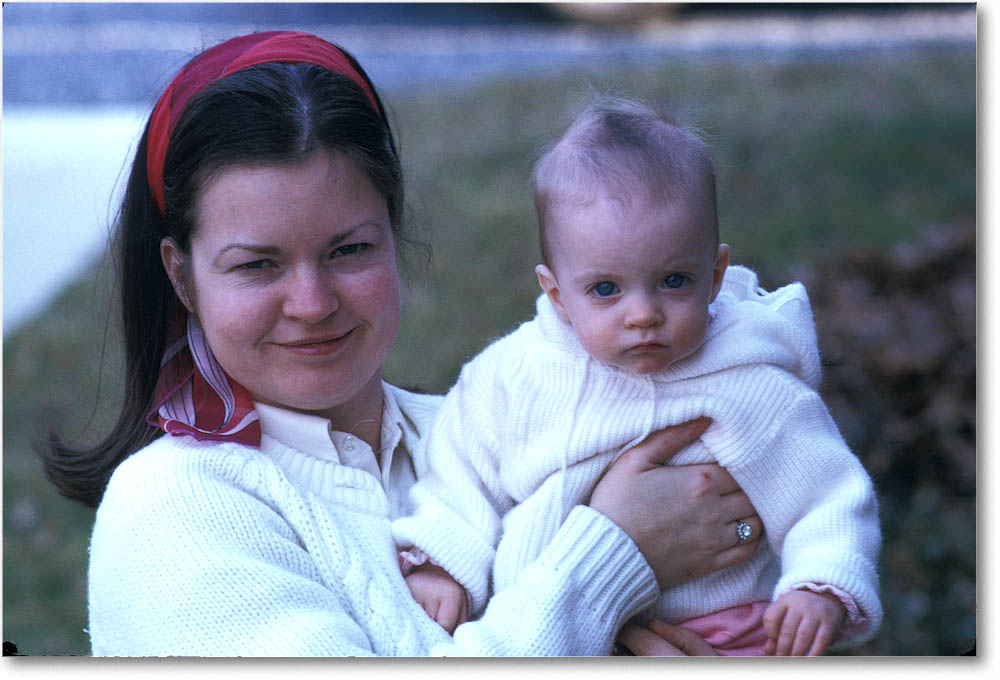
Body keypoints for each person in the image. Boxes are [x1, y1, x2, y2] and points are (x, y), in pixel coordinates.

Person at [39, 32, 764, 656]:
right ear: (183, 276)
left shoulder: (478, 432)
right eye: (257, 264)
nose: (313, 303)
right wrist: (612, 557)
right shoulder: (174, 507)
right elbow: (595, 577)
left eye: (348, 250)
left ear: (393, 232)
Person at [392, 96, 882, 656]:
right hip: (555, 630)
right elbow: (461, 476)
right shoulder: (511, 378)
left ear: (716, 275)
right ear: (556, 294)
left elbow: (827, 492)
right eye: (606, 289)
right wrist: (443, 562)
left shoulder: (749, 382)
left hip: (727, 634)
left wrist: (821, 583)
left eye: (675, 281)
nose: (643, 313)